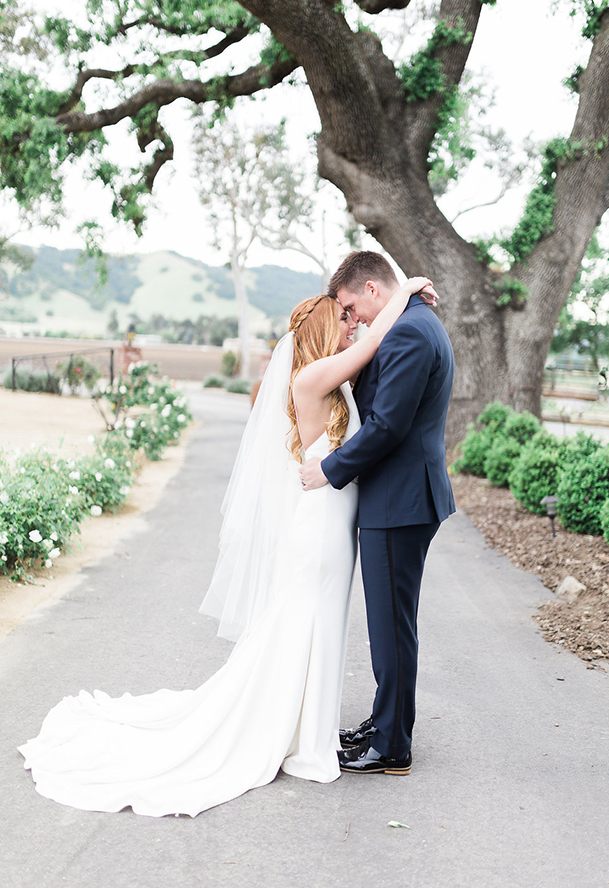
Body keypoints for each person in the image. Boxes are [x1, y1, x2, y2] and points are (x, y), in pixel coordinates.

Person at [18, 275, 435, 818]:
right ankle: (299, 737)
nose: (351, 327)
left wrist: (397, 298)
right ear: (320, 334)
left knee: (322, 623)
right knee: (305, 619)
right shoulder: (311, 378)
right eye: (343, 321)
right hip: (320, 529)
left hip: (335, 525)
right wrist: (402, 292)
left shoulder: (335, 383)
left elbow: (372, 359)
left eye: (353, 319)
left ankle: (310, 730)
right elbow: (376, 342)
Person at [300, 251, 455, 776]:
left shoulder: (411, 331)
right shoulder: (411, 319)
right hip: (402, 495)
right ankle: (384, 721)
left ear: (371, 289)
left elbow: (387, 425)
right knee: (393, 622)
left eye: (351, 306)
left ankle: (392, 745)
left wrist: (330, 469)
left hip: (401, 498)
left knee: (390, 626)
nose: (354, 319)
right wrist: (409, 287)